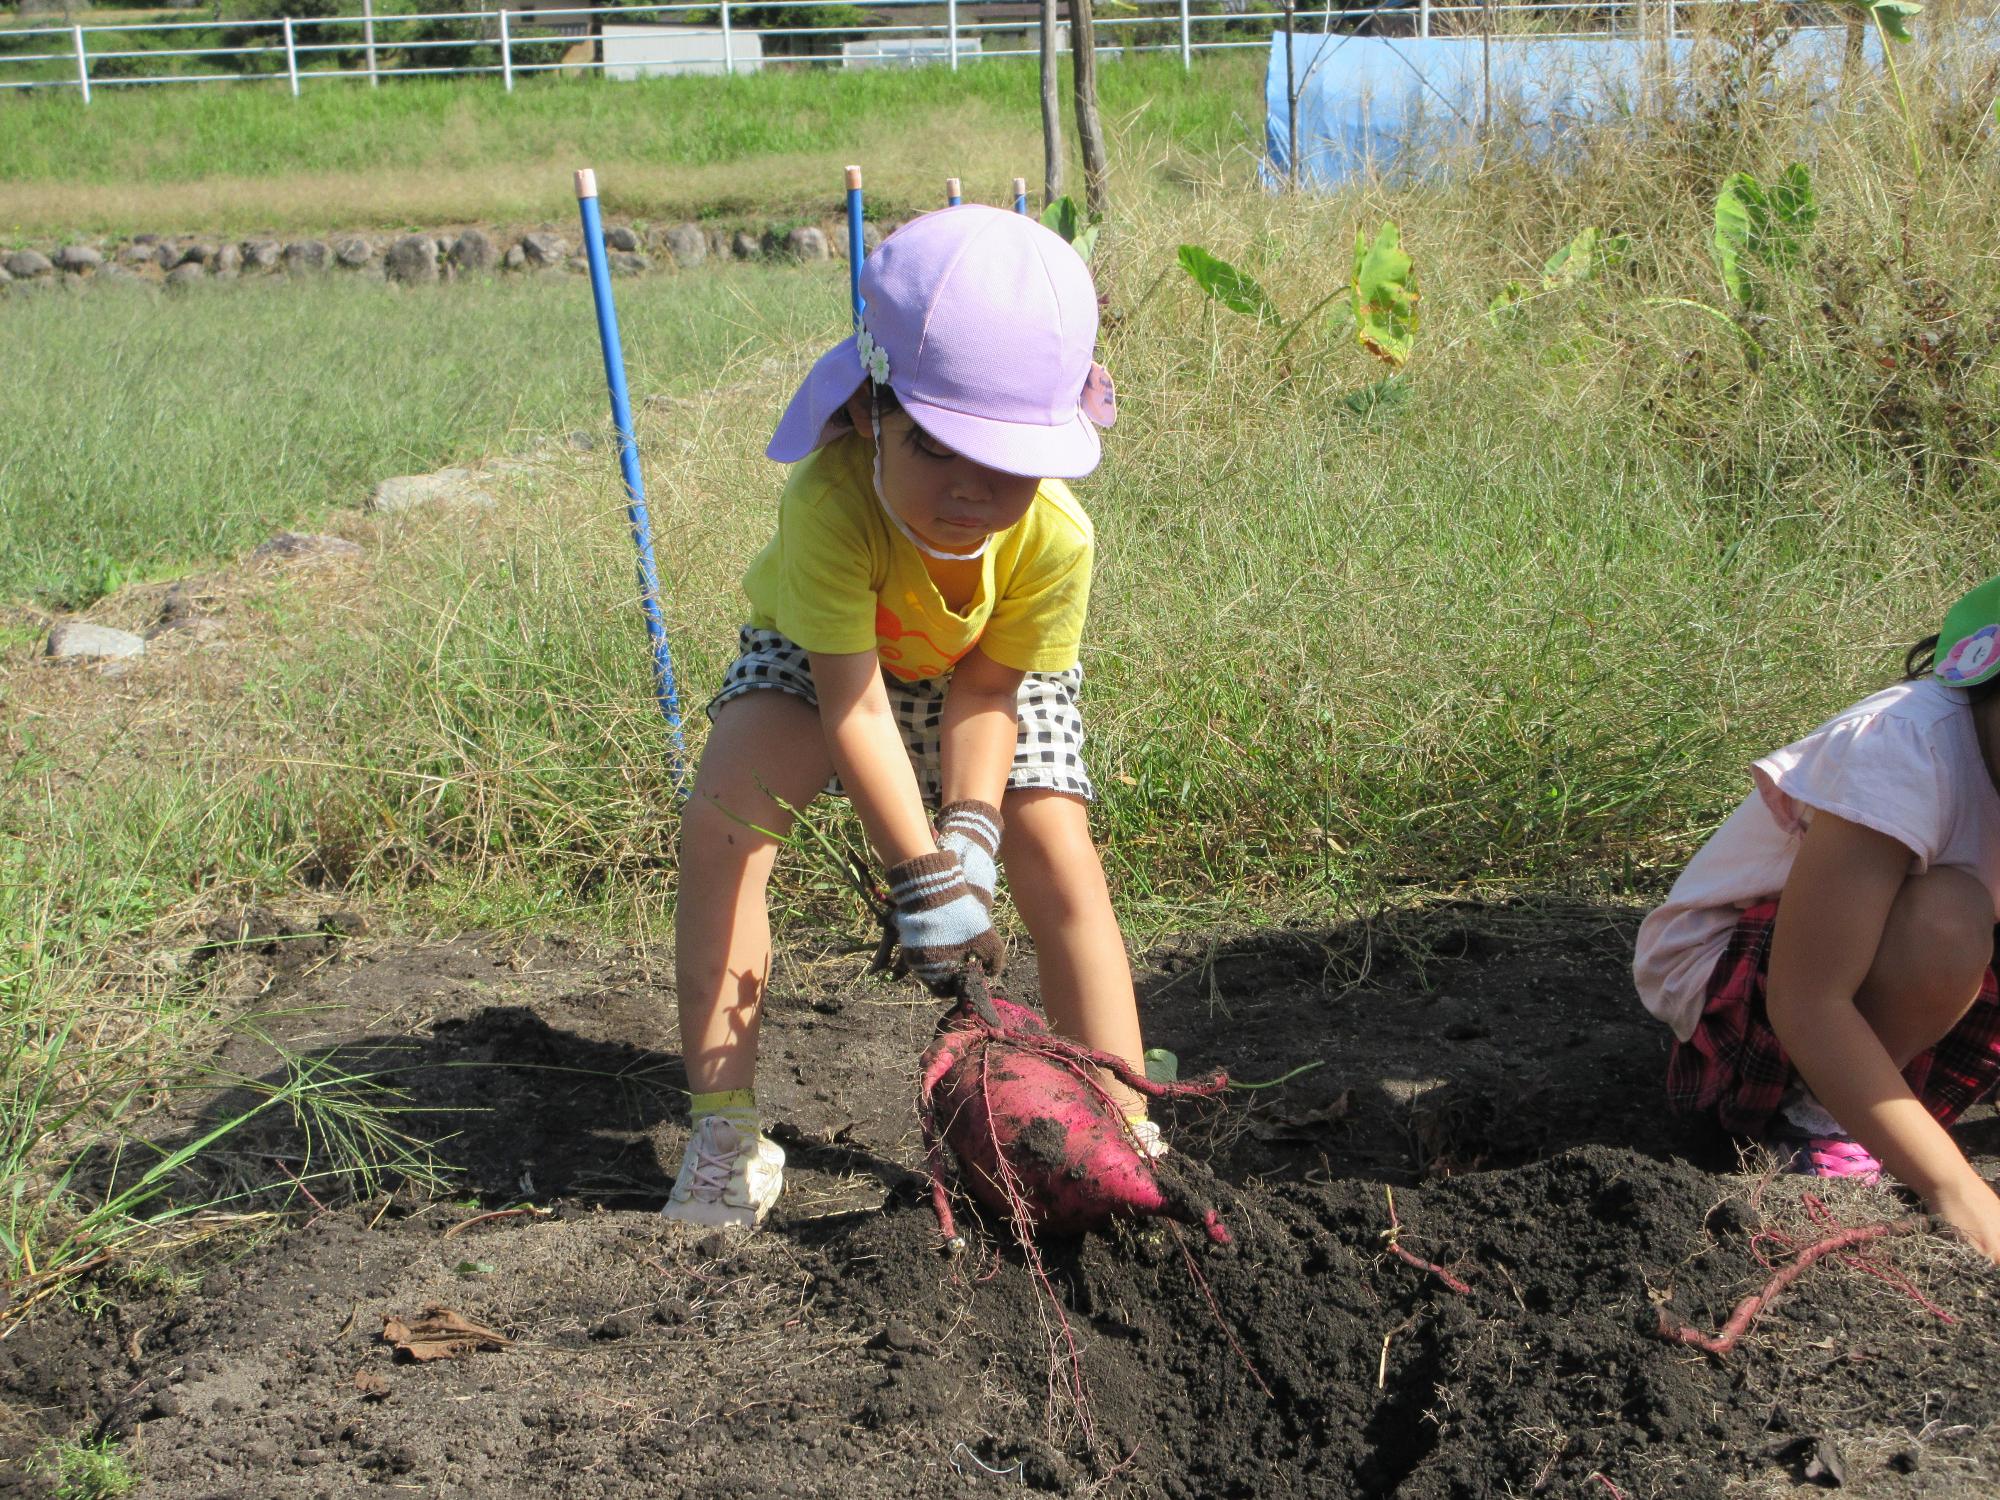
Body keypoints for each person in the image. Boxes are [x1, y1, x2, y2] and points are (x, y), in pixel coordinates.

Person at [663, 205, 1150, 1229]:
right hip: (829, 660)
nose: (970, 491)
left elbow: (984, 692)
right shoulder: (830, 504)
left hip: (981, 674)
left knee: (1052, 842)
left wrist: (968, 832)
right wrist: (920, 874)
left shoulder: (1055, 536)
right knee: (721, 829)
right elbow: (852, 701)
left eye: (1008, 464)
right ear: (870, 413)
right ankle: (725, 1135)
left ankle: (1121, 1119)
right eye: (935, 448)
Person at [1634, 574, 2000, 1260]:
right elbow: (1808, 1001)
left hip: (1890, 986)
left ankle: (1877, 1102)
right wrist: (1959, 1192)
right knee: (1949, 915)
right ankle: (1820, 1124)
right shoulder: (1907, 748)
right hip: (1745, 995)